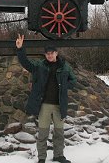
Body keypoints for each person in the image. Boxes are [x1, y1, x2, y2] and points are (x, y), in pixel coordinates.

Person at [15, 34, 77, 163]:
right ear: (45, 55)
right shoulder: (39, 66)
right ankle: (42, 158)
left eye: (51, 53)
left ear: (56, 53)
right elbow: (26, 63)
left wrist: (65, 85)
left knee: (59, 133)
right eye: (47, 53)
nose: (49, 55)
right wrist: (20, 49)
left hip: (60, 105)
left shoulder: (65, 67)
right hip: (44, 106)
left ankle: (58, 155)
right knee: (43, 134)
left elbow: (73, 80)